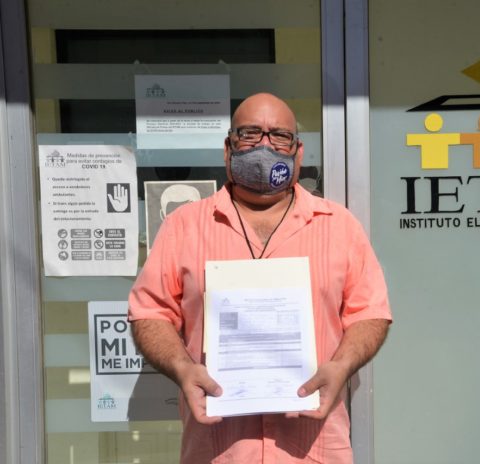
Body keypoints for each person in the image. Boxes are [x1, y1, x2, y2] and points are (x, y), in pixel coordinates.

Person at [128, 92, 392, 463]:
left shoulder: (340, 226)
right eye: (250, 133)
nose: (264, 145)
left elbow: (370, 313)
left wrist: (342, 366)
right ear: (228, 149)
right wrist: (182, 369)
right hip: (219, 452)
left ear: (298, 151)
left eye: (279, 135)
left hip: (314, 450)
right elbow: (150, 313)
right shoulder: (183, 227)